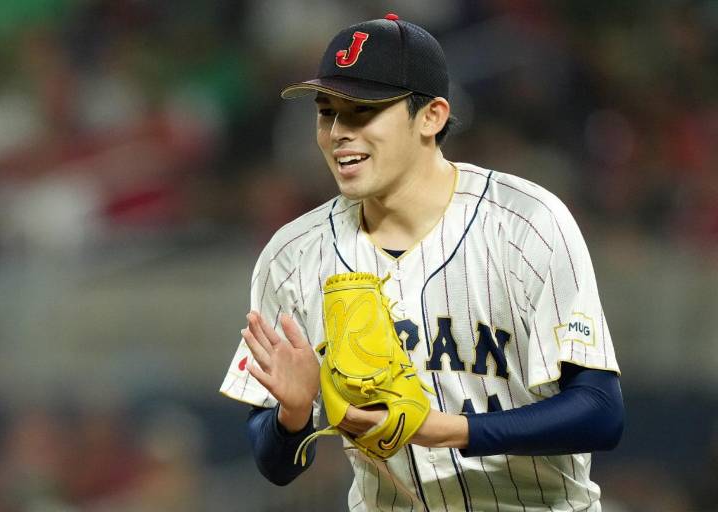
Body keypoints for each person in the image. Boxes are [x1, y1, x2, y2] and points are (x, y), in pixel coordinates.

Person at [220, 13, 624, 511]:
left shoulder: (526, 224)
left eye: (363, 112)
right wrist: (294, 413)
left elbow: (602, 413)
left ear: (431, 116)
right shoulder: (292, 255)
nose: (339, 132)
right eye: (328, 113)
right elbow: (277, 466)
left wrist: (446, 431)